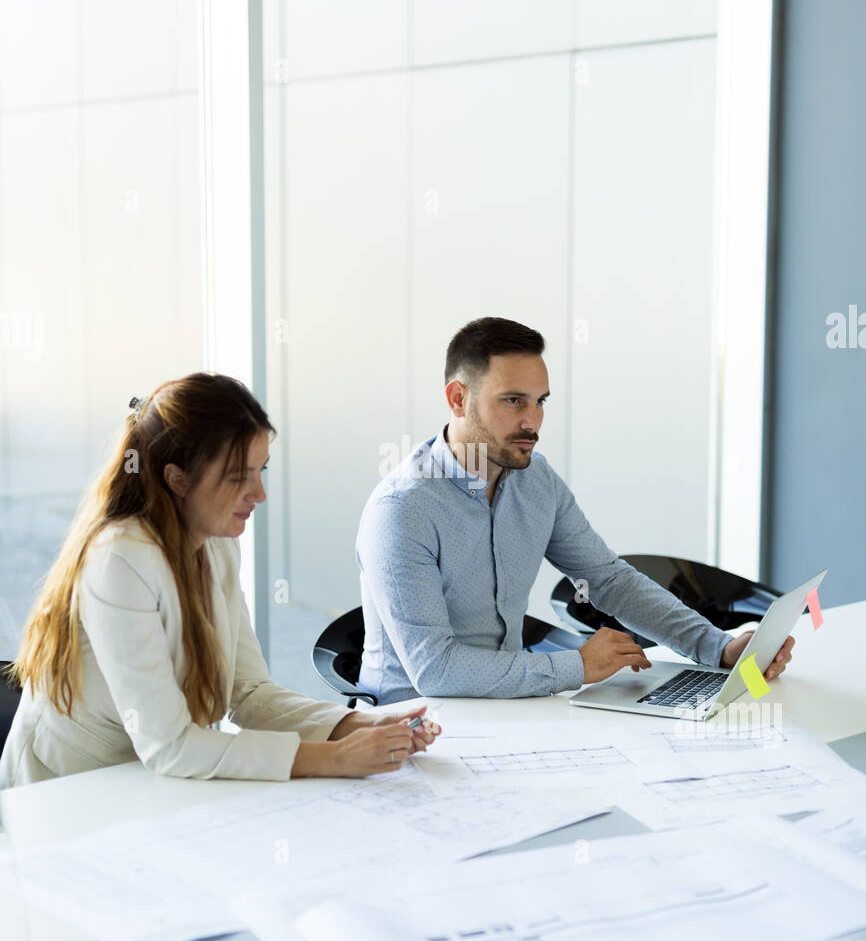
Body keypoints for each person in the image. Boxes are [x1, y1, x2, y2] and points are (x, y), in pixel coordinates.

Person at [1, 373, 438, 788]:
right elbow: (170, 746)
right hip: (68, 793)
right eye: (237, 477)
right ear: (177, 478)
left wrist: (363, 725)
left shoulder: (216, 542)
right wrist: (335, 758)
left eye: (260, 471)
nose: (259, 494)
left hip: (152, 782)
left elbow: (247, 693)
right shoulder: (120, 558)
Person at [356, 316, 795, 704]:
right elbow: (435, 669)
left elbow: (608, 580)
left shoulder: (536, 480)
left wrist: (718, 647)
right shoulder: (402, 510)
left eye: (540, 401)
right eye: (513, 401)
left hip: (510, 708)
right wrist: (577, 666)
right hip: (416, 728)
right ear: (458, 399)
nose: (533, 421)